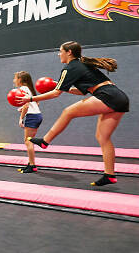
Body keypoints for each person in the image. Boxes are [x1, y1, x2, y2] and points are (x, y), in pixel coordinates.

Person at [20, 41, 129, 186]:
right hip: (119, 97)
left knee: (68, 111)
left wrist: (31, 98)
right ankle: (110, 175)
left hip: (107, 95)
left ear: (68, 52)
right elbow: (81, 91)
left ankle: (45, 141)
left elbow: (55, 94)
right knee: (103, 137)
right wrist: (58, 85)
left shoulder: (70, 68)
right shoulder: (81, 65)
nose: (59, 54)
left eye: (60, 51)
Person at [12, 71, 42, 173]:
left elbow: (26, 105)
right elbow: (35, 103)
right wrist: (23, 108)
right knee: (30, 141)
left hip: (32, 117)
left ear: (20, 80)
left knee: (28, 141)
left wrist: (21, 118)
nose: (14, 80)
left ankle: (32, 165)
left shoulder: (22, 89)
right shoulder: (29, 89)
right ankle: (30, 164)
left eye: (15, 78)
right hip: (37, 115)